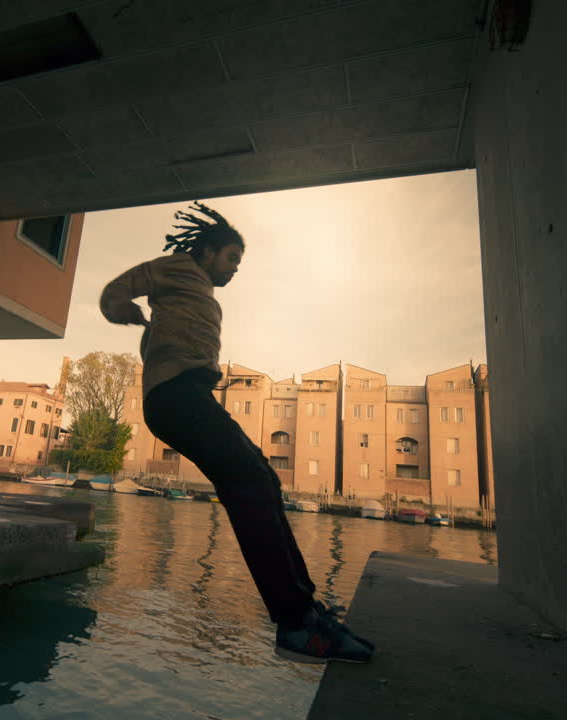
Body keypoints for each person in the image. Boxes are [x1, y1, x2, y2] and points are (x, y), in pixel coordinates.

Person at [100, 201, 374, 664]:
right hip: (173, 395)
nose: (234, 268)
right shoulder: (176, 267)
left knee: (262, 479)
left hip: (191, 395)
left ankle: (306, 611)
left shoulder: (203, 292)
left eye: (238, 262)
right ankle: (295, 624)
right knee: (249, 482)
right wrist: (121, 308)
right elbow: (115, 290)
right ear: (207, 252)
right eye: (231, 258)